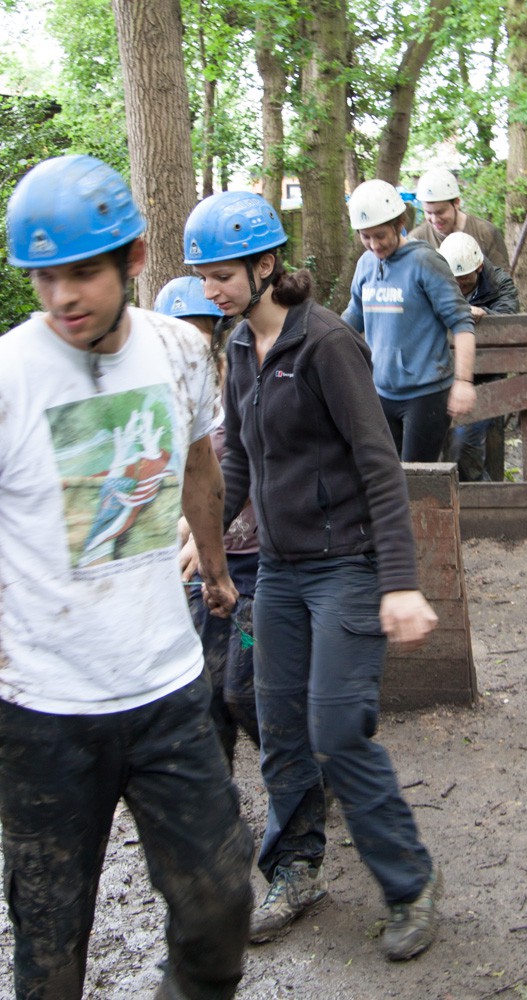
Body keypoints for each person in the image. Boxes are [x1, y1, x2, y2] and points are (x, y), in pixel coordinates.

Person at [0, 155, 254, 1000]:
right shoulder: (9, 376)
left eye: (82, 274)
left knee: (220, 903)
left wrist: (214, 570)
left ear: (134, 260)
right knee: (50, 946)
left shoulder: (180, 349)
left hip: (165, 691)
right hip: (42, 711)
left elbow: (200, 466)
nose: (62, 297)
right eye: (44, 278)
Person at [183, 189, 442, 962]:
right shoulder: (239, 346)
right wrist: (203, 537)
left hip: (346, 569)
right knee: (279, 728)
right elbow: (237, 460)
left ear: (264, 264)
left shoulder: (326, 343)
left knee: (335, 730)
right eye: (202, 276)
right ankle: (294, 870)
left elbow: (378, 464)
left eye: (221, 274)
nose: (210, 289)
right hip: (278, 574)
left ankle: (409, 882)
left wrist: (399, 580)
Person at [154, 276, 261, 767]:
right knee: (208, 693)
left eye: (199, 333)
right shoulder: (166, 400)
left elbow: (249, 470)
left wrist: (203, 535)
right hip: (206, 569)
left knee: (246, 691)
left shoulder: (243, 386)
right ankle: (218, 795)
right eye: (178, 334)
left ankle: (305, 776)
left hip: (257, 560)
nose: (189, 347)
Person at [342, 179, 477, 462]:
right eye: (366, 237)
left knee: (416, 478)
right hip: (381, 391)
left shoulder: (425, 262)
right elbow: (353, 316)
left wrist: (463, 381)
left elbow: (462, 323)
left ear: (399, 223)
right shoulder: (366, 264)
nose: (374, 245)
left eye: (380, 235)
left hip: (426, 394)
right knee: (386, 475)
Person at [438, 231, 520, 481]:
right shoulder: (435, 279)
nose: (460, 287)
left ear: (479, 268)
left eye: (465, 281)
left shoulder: (500, 283)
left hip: (487, 379)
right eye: (455, 281)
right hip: (443, 375)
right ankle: (475, 490)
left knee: (462, 442)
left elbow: (509, 318)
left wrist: (484, 314)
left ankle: (479, 491)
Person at [409, 166, 510, 268]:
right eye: (428, 212)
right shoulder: (417, 240)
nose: (435, 219)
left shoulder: (485, 233)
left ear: (456, 203)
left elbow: (502, 276)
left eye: (441, 212)